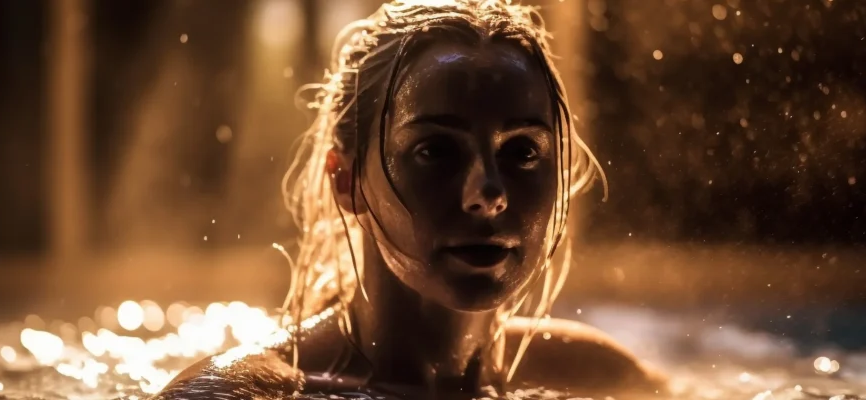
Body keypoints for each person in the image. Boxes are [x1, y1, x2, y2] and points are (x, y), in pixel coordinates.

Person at [156, 1, 663, 398]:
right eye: (435, 150)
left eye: (523, 151)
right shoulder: (239, 395)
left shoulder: (603, 381)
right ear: (346, 180)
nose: (487, 193)